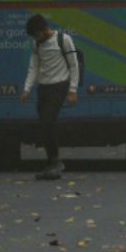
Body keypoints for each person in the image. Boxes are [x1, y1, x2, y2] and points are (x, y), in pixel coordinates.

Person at [19, 14, 79, 180]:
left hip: (59, 85)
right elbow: (34, 67)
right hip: (43, 87)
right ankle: (51, 162)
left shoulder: (63, 39)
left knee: (48, 121)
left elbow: (74, 65)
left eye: (37, 34)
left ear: (44, 29)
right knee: (44, 126)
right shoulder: (36, 44)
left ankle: (56, 161)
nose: (36, 38)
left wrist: (72, 90)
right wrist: (26, 89)